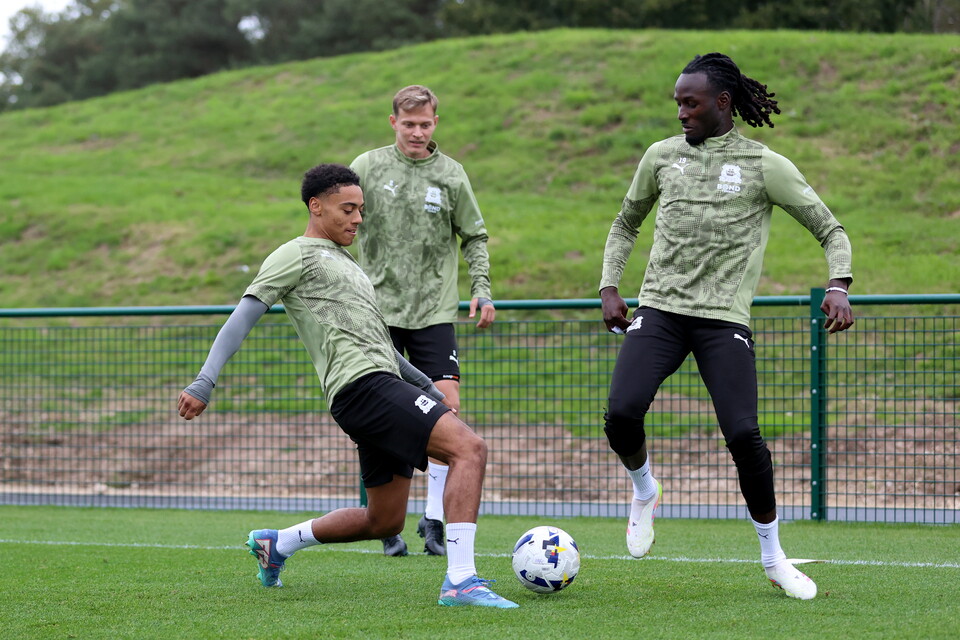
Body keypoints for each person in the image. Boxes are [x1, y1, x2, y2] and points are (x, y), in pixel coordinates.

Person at [177, 163, 517, 609]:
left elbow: (383, 348)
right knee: (469, 449)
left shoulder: (348, 263)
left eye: (361, 209)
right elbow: (244, 315)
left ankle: (277, 543)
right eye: (348, 209)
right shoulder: (294, 253)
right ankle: (460, 580)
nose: (358, 218)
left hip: (378, 384)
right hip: (363, 387)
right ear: (316, 207)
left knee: (384, 520)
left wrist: (426, 388)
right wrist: (205, 380)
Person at [599, 53, 854, 601]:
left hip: (722, 321)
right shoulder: (661, 157)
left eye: (690, 103)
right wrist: (610, 287)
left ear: (722, 102)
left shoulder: (765, 165)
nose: (681, 113)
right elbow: (625, 223)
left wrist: (839, 285)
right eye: (677, 103)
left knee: (743, 435)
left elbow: (830, 229)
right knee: (621, 415)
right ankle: (644, 491)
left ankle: (773, 556)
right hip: (661, 311)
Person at [350, 85, 495, 558]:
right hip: (377, 312)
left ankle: (433, 519)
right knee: (384, 416)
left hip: (433, 311)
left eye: (425, 124)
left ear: (436, 122)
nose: (417, 131)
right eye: (408, 123)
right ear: (393, 121)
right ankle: (386, 518)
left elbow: (474, 236)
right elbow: (338, 224)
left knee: (445, 409)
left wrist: (482, 288)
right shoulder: (367, 168)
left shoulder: (451, 175)